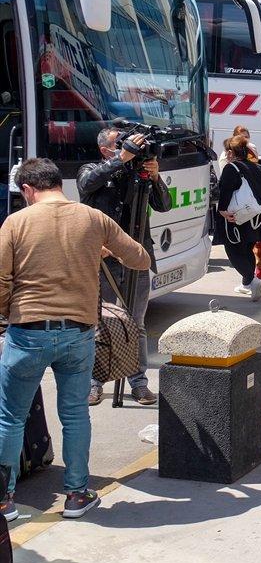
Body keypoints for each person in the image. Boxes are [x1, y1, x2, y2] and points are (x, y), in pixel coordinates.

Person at [0, 158, 149, 521]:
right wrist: (102, 249)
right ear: (59, 184)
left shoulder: (15, 222)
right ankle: (78, 495)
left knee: (10, 419)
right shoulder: (92, 219)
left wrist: (9, 311)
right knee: (75, 414)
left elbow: (1, 279)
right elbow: (141, 259)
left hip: (27, 333)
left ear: (28, 190)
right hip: (78, 334)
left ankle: (5, 501)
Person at [77, 127, 170, 407]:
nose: (132, 147)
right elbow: (87, 184)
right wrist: (121, 158)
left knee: (137, 324)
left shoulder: (137, 173)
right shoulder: (93, 168)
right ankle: (95, 382)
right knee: (100, 321)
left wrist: (154, 176)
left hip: (137, 255)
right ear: (106, 149)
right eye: (122, 144)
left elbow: (164, 205)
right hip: (103, 259)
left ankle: (138, 382)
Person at [214, 136, 261, 300]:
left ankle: (252, 280)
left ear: (230, 152)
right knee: (247, 248)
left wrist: (222, 211)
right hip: (256, 216)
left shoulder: (231, 168)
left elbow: (225, 191)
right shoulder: (258, 167)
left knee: (233, 250)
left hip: (237, 217)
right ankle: (247, 283)